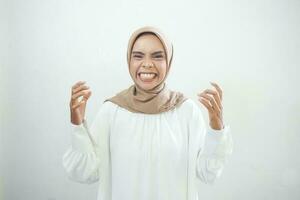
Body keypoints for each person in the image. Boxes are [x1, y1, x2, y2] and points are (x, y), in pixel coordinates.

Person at [62, 26, 233, 200]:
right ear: (129, 60)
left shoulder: (186, 111)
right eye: (138, 56)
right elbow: (85, 173)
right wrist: (77, 125)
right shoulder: (111, 111)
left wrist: (216, 128)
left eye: (158, 56)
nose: (147, 63)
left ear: (169, 61)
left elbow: (207, 173)